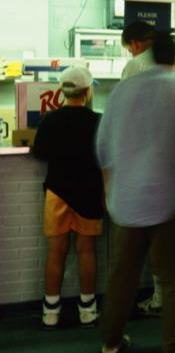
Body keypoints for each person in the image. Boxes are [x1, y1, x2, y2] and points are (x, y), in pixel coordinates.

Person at [97, 33, 175, 353]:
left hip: (126, 203)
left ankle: (110, 343)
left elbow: (103, 148)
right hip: (170, 203)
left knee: (121, 279)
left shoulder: (122, 91)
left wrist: (111, 192)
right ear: (174, 61)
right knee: (173, 281)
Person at [121, 21, 175, 318]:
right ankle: (171, 305)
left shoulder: (135, 66)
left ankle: (155, 300)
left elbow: (124, 116)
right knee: (174, 244)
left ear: (136, 44)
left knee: (144, 245)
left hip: (145, 169)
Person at [33, 66, 104, 330]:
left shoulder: (50, 120)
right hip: (89, 194)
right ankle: (88, 309)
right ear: (87, 91)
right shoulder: (98, 121)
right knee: (86, 251)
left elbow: (39, 153)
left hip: (57, 193)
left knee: (56, 252)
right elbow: (105, 156)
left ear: (63, 91)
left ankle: (50, 312)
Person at [121, 20, 175, 101]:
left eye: (130, 50)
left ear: (135, 44)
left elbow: (124, 100)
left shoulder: (134, 64)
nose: (132, 55)